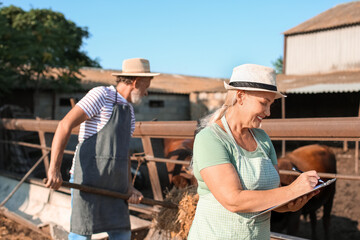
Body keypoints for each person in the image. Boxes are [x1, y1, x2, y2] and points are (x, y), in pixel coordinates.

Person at [187, 64, 320, 240]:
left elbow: (271, 195)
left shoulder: (262, 139)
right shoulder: (210, 139)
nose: (268, 112)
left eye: (271, 104)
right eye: (264, 103)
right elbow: (233, 200)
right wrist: (291, 191)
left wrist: (290, 204)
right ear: (241, 96)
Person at [45, 58, 159, 240]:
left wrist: (129, 187)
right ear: (136, 82)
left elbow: (124, 153)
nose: (146, 93)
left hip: (115, 187)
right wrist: (54, 169)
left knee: (122, 234)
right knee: (81, 234)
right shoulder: (101, 95)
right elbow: (65, 125)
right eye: (147, 85)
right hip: (88, 182)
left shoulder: (129, 111)